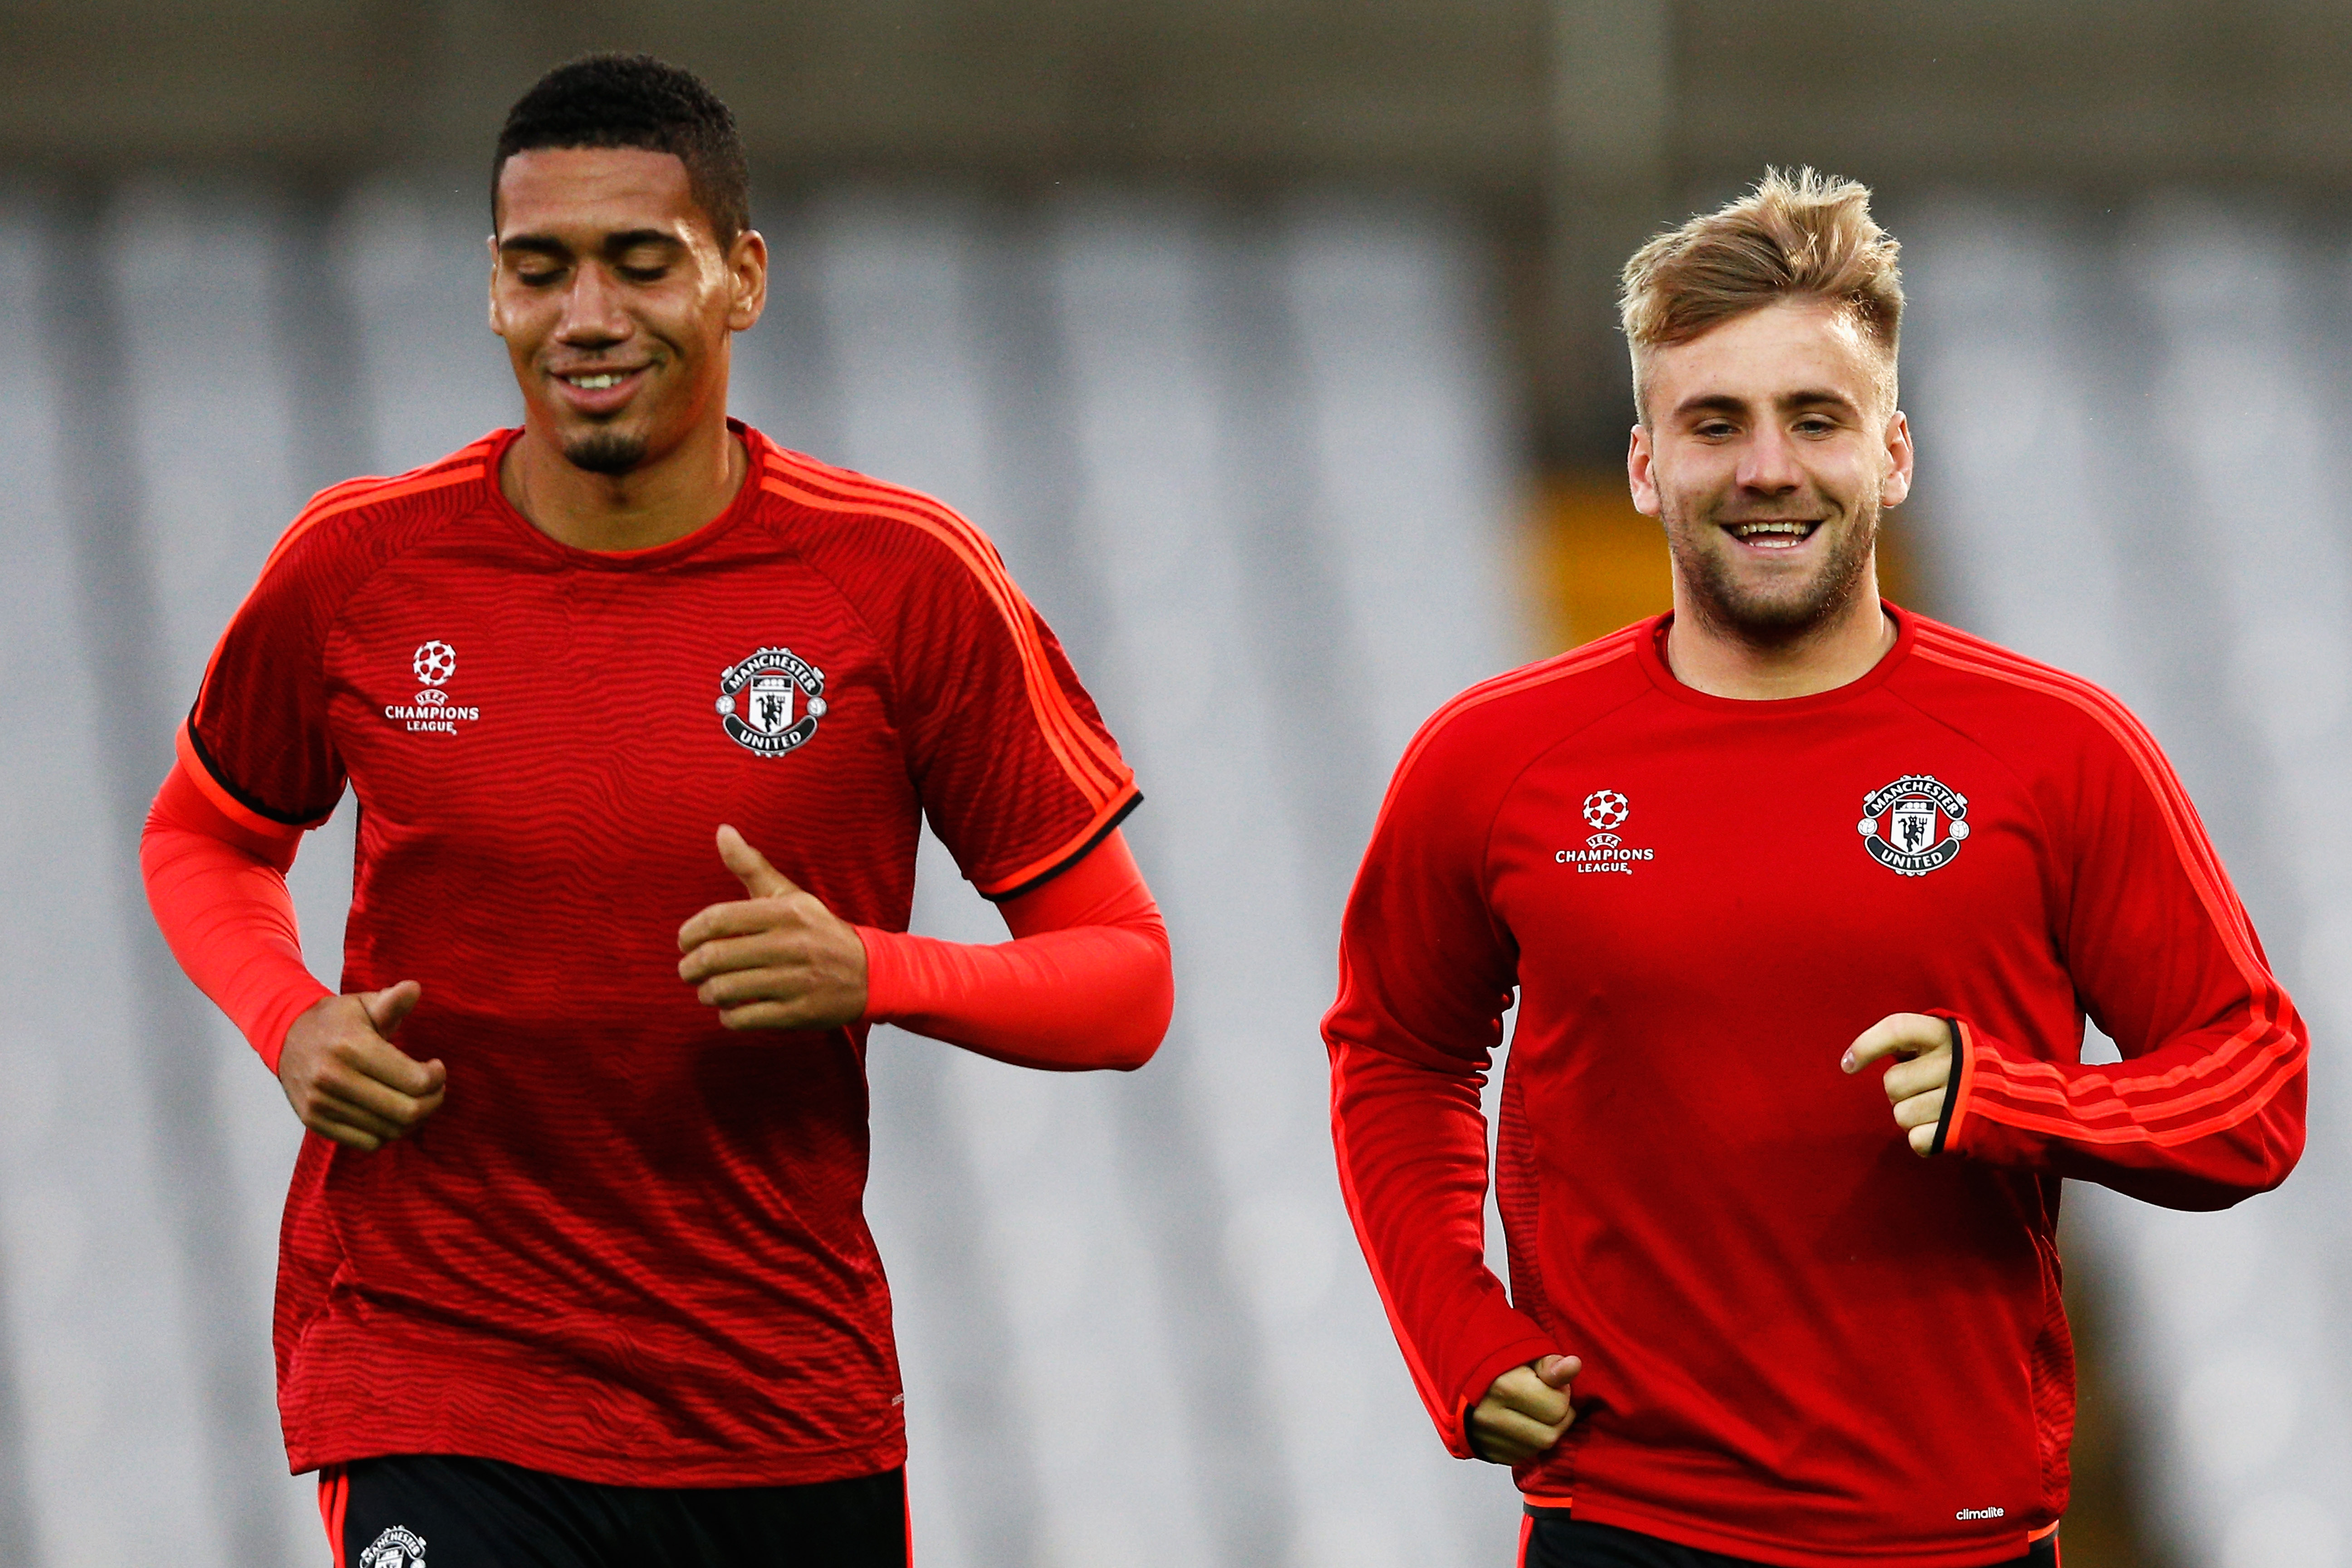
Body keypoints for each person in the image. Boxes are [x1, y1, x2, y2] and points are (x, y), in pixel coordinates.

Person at [140, 53, 1172, 1567]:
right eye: (539, 269)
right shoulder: (358, 569)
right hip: (438, 1367)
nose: (588, 318)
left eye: (640, 263)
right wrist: (285, 1015)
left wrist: (876, 972)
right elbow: (206, 834)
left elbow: (1126, 981)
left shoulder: (902, 581)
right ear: (491, 292)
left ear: (740, 278)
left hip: (774, 1401)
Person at [1324, 168, 2305, 1568]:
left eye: (1816, 419)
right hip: (1628, 1525)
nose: (1767, 467)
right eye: (1714, 423)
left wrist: (2018, 1097)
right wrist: (1453, 1326)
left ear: (1894, 454)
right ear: (1644, 463)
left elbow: (2254, 1084)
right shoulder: (1494, 761)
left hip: (1951, 1538)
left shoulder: (2059, 751)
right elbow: (1398, 1054)